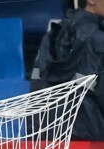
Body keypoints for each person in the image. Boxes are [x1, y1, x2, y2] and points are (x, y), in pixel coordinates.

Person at [31, 0, 104, 141]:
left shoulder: (51, 34)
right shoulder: (99, 42)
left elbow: (36, 86)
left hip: (44, 139)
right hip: (91, 143)